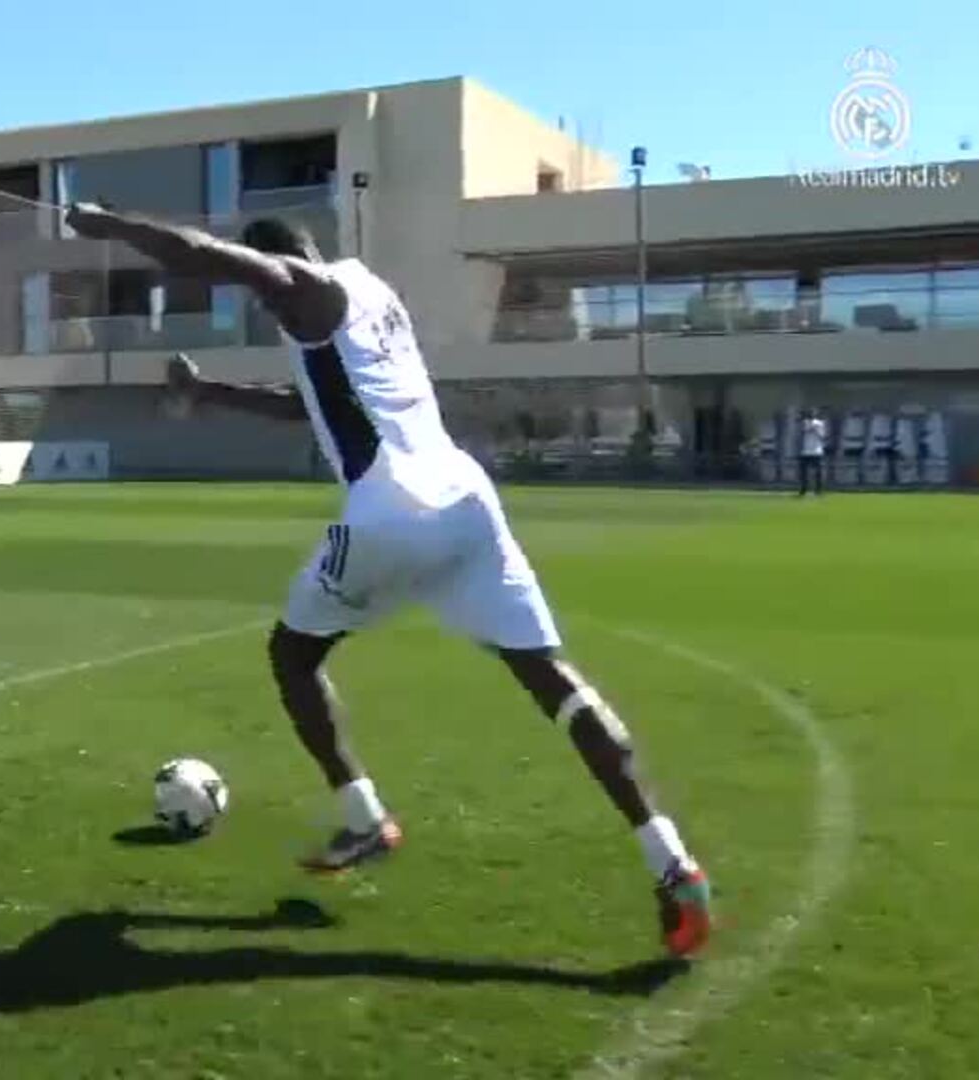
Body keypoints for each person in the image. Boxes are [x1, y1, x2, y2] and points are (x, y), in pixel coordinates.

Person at [64, 203, 712, 957]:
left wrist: (109, 224)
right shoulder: (372, 297)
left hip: (389, 510)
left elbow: (200, 253)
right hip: (467, 502)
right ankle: (673, 865)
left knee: (292, 655)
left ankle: (365, 816)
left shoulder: (304, 290)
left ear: (282, 269)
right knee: (548, 676)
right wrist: (210, 392)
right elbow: (311, 410)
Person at [796, 409, 827, 497]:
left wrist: (816, 430)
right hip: (805, 451)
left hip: (816, 451)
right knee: (804, 473)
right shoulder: (804, 423)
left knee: (818, 473)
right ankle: (803, 490)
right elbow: (802, 432)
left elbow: (822, 436)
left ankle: (818, 490)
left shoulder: (820, 423)